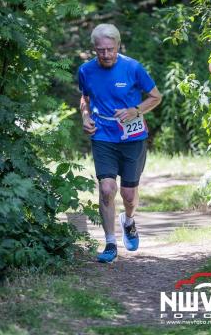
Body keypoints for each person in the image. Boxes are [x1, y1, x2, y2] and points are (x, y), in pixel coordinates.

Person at [78, 23, 162, 263]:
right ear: (94, 49)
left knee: (128, 193)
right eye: (100, 50)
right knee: (106, 189)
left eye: (110, 49)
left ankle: (129, 220)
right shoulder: (85, 70)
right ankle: (110, 243)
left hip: (132, 137)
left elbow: (156, 96)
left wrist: (135, 110)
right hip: (103, 135)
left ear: (118, 46)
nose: (105, 55)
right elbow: (84, 98)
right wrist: (85, 116)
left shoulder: (133, 68)